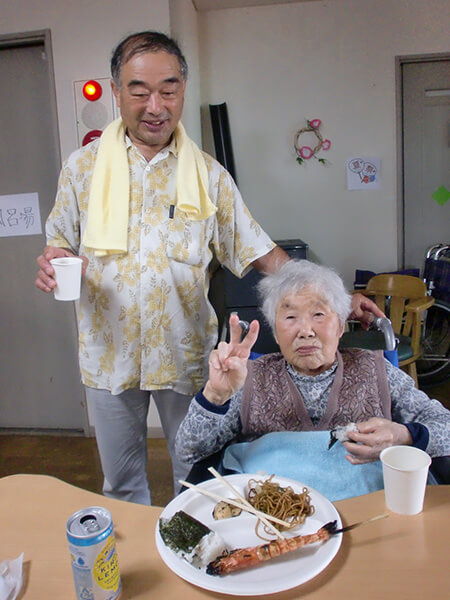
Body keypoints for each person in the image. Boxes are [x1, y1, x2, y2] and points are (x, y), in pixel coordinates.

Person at [35, 31, 381, 506]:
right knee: (119, 486)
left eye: (169, 90)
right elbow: (59, 242)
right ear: (116, 92)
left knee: (196, 476)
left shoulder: (209, 177)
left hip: (186, 355)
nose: (155, 105)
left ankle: (193, 559)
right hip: (106, 354)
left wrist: (336, 297)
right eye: (139, 91)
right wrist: (53, 261)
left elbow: (264, 253)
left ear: (183, 91)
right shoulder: (81, 170)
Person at [176, 260, 450, 500]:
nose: (305, 331)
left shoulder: (376, 371)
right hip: (271, 521)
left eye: (318, 314)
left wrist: (404, 435)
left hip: (367, 518)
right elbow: (189, 452)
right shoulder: (248, 376)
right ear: (275, 329)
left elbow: (445, 429)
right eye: (291, 317)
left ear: (341, 325)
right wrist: (214, 395)